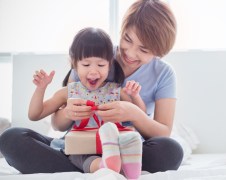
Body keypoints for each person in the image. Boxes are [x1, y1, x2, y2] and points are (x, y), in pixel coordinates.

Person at [0, 0, 183, 174]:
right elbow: (58, 125)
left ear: (159, 52)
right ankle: (107, 167)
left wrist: (132, 113)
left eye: (143, 50)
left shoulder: (164, 74)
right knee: (11, 139)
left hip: (125, 147)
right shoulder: (95, 53)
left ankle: (95, 166)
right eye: (127, 39)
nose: (130, 53)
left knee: (171, 151)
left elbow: (163, 133)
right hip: (80, 145)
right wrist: (68, 112)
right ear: (123, 29)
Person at [28, 27, 145, 179]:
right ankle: (112, 165)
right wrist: (41, 88)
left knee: (80, 157)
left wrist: (135, 96)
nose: (93, 72)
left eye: (101, 65)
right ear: (74, 64)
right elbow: (35, 114)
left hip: (114, 144)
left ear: (109, 65)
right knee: (77, 154)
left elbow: (139, 114)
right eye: (86, 65)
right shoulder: (68, 92)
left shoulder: (116, 91)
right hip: (83, 145)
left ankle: (111, 164)